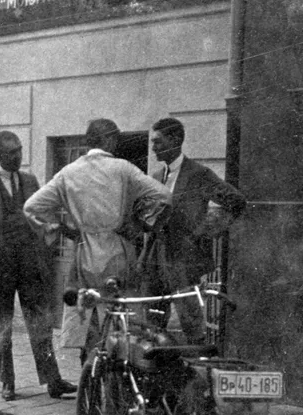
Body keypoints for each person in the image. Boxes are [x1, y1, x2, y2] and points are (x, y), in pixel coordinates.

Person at [24, 118, 171, 361]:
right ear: (110, 140)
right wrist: (143, 224)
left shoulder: (68, 172)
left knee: (89, 319)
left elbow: (32, 207)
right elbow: (164, 197)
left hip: (84, 254)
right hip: (118, 252)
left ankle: (90, 380)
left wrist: (60, 228)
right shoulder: (123, 169)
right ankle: (119, 383)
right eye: (115, 139)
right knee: (124, 321)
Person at [0, 131, 77, 401]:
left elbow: (42, 210)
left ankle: (53, 382)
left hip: (29, 263)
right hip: (0, 267)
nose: (18, 156)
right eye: (12, 153)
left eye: (20, 150)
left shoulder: (31, 180)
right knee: (3, 326)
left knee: (40, 325)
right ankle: (7, 382)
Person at [144, 117, 247, 343]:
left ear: (176, 139)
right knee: (153, 323)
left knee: (192, 325)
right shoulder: (156, 177)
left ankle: (198, 370)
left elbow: (236, 201)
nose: (153, 148)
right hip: (157, 259)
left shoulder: (198, 174)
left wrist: (204, 230)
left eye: (158, 142)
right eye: (152, 142)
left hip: (184, 261)